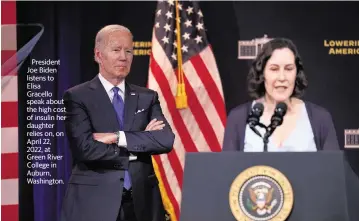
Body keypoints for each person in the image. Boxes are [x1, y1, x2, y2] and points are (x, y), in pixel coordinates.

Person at [61, 24, 175, 221]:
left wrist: (118, 137)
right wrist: (140, 144)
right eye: (116, 50)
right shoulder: (77, 96)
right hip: (95, 202)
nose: (124, 57)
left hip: (142, 203)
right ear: (98, 55)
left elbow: (165, 140)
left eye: (129, 50)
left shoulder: (147, 97)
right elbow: (85, 149)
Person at [223, 38, 340, 152]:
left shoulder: (320, 118)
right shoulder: (238, 118)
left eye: (289, 69)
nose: (282, 77)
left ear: (297, 73)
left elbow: (333, 169)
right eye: (274, 69)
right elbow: (228, 170)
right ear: (262, 73)